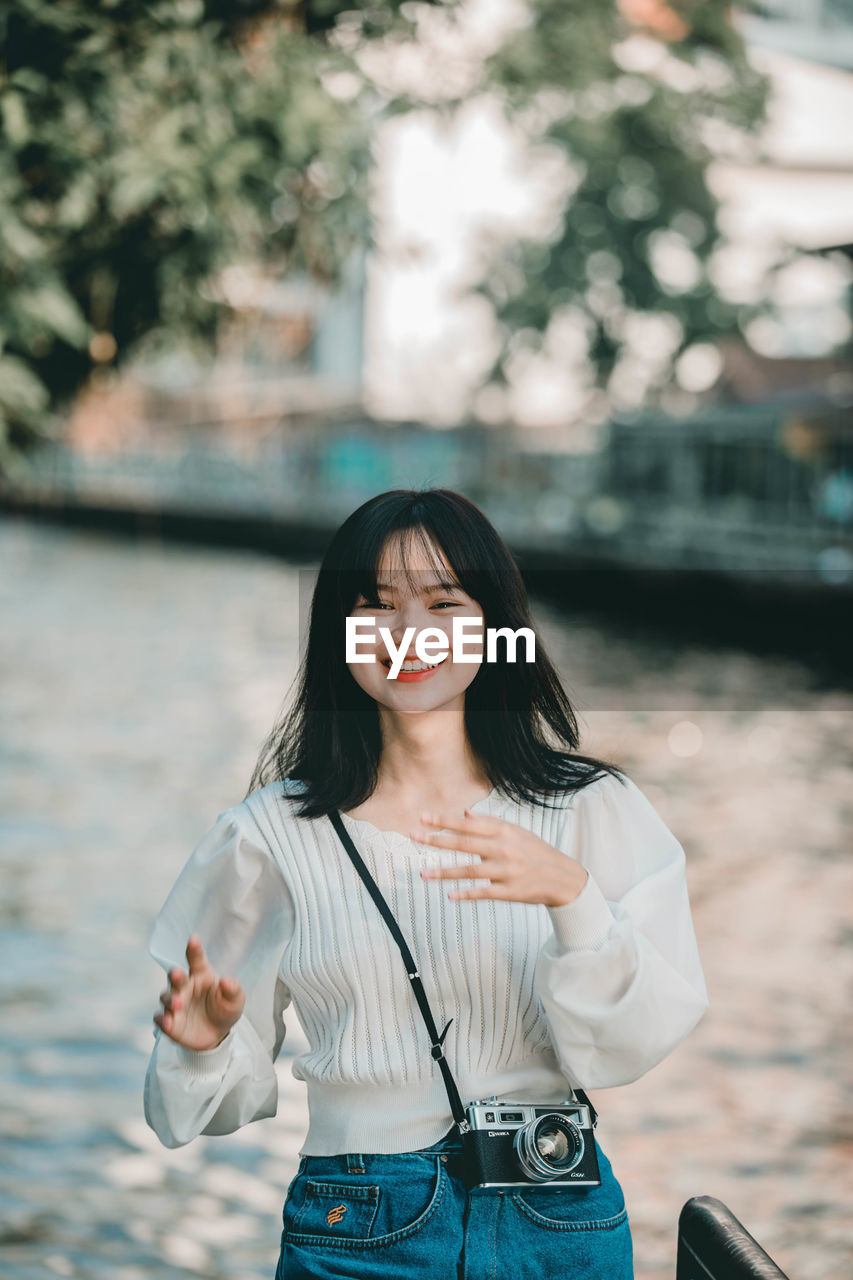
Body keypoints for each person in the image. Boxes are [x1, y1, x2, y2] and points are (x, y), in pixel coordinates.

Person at [144, 487, 709, 1280]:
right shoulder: (266, 837)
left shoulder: (590, 810)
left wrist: (573, 900)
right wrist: (200, 1049)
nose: (409, 634)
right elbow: (192, 1111)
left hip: (556, 1213)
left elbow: (637, 1043)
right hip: (359, 1224)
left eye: (444, 602)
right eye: (375, 605)